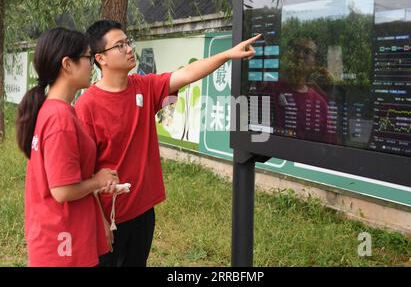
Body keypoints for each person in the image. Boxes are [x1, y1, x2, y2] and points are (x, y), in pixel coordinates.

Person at [74, 20, 260, 267]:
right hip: (109, 216)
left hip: (143, 212)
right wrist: (101, 223)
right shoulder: (86, 106)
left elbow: (186, 74)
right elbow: (84, 173)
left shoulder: (144, 86)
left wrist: (227, 54)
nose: (129, 49)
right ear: (101, 58)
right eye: (120, 46)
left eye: (128, 42)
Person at [16, 27, 121, 267]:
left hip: (60, 239)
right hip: (62, 245)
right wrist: (98, 180)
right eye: (87, 58)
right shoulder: (60, 118)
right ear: (67, 64)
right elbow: (61, 190)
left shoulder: (54, 111)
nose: (92, 65)